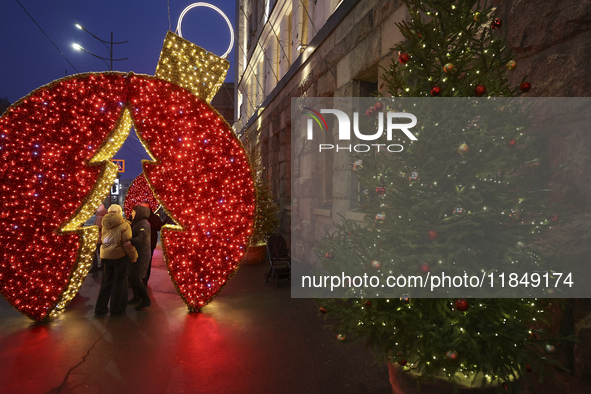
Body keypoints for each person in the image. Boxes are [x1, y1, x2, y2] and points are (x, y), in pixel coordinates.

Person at [94, 204, 137, 316]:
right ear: (119, 211)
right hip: (119, 257)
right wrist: (133, 257)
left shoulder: (104, 222)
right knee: (119, 283)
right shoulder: (124, 225)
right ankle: (116, 309)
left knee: (106, 282)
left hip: (105, 257)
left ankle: (100, 308)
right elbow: (127, 244)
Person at [125, 205, 152, 310]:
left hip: (142, 254)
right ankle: (136, 298)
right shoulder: (137, 222)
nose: (132, 213)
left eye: (134, 212)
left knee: (135, 278)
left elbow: (142, 235)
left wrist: (132, 241)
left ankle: (146, 300)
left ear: (139, 212)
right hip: (137, 253)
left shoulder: (143, 224)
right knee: (132, 276)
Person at [139, 201, 164, 285]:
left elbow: (158, 227)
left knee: (147, 261)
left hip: (150, 243)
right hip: (138, 242)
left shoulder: (153, 217)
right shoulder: (136, 216)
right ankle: (136, 279)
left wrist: (150, 224)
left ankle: (144, 280)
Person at [89, 204, 108, 273]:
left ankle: (95, 267)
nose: (96, 209)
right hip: (102, 237)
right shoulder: (105, 215)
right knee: (101, 253)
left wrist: (92, 229)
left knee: (95, 253)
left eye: (98, 208)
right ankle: (102, 266)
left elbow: (98, 227)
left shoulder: (100, 217)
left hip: (98, 238)